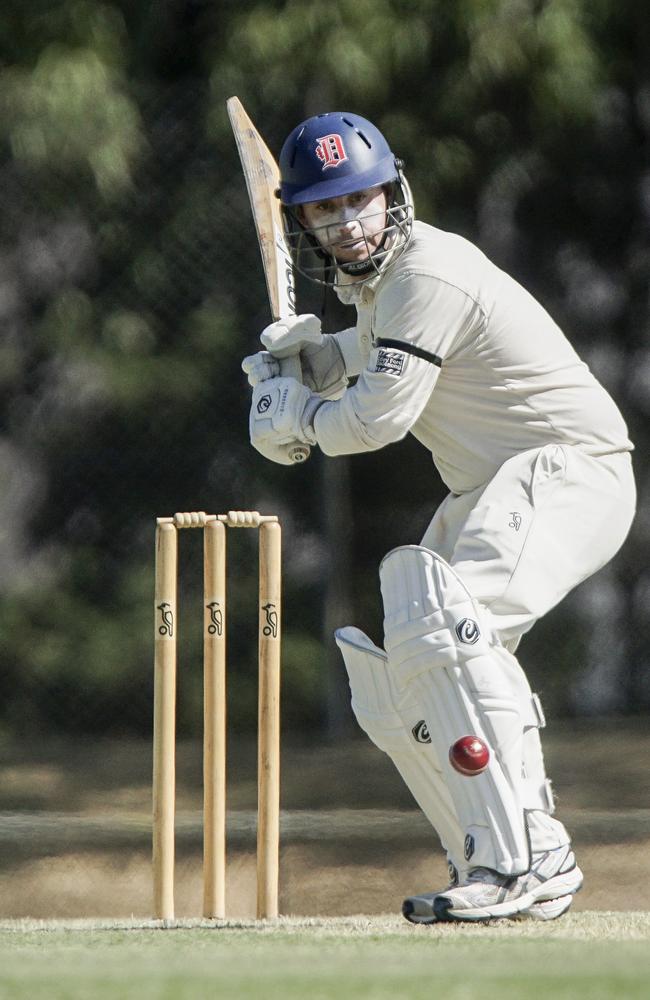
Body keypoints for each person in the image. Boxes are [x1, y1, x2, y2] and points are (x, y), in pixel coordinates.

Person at [242, 112, 636, 923]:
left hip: (569, 473)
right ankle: (494, 852)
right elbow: (353, 358)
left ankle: (526, 857)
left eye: (362, 200)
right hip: (493, 491)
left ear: (393, 194)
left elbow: (376, 418)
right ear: (304, 221)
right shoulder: (384, 292)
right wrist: (295, 369)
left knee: (448, 634)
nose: (348, 223)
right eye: (326, 210)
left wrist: (301, 421)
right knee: (404, 675)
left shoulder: (429, 273)